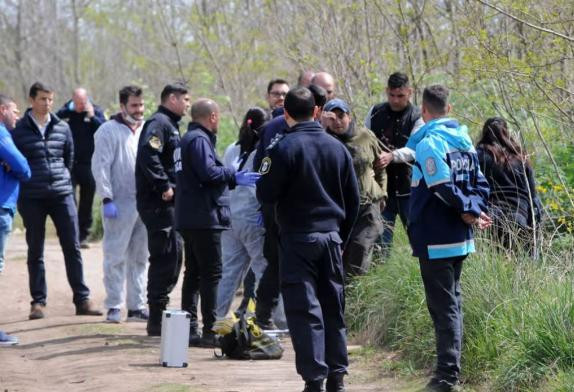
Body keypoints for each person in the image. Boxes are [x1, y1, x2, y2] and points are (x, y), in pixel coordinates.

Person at [257, 87, 360, 392]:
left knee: (305, 311)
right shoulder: (338, 148)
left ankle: (315, 380)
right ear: (317, 111)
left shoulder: (282, 149)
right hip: (331, 238)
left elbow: (265, 193)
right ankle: (337, 378)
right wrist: (340, 238)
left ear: (285, 114)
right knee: (333, 309)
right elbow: (353, 202)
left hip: (297, 239)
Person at [405, 85, 491, 392]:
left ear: (423, 112)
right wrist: (474, 211)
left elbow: (441, 187)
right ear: (449, 109)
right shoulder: (465, 142)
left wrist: (468, 212)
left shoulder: (430, 143)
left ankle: (446, 377)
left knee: (444, 308)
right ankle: (447, 371)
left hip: (437, 237)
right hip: (459, 238)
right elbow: (480, 184)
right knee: (451, 304)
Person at [174, 98, 260, 347]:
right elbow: (208, 172)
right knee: (211, 274)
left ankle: (189, 328)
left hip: (189, 217)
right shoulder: (199, 140)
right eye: (218, 117)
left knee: (193, 273)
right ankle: (210, 330)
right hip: (204, 218)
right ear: (212, 117)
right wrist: (234, 175)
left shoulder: (185, 140)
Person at [12, 82, 102, 320]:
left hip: (62, 194)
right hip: (32, 197)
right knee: (36, 250)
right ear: (32, 100)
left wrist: (61, 180)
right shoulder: (19, 130)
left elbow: (68, 160)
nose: (47, 103)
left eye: (50, 99)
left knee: (72, 247)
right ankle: (38, 302)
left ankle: (82, 299)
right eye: (43, 99)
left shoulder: (62, 127)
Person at [252, 84, 327, 330]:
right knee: (277, 261)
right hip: (277, 207)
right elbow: (261, 168)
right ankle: (264, 316)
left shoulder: (321, 134)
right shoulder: (273, 130)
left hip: (307, 209)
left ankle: (305, 320)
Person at [136, 83, 190, 336]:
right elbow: (149, 155)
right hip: (159, 203)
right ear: (172, 98)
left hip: (171, 204)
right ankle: (156, 318)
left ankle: (159, 314)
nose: (188, 104)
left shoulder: (170, 124)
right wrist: (163, 186)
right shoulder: (158, 123)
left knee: (173, 256)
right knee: (165, 257)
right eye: (185, 99)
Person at [92, 85, 149, 323]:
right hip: (118, 202)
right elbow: (100, 165)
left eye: (141, 105)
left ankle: (137, 306)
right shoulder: (107, 130)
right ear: (122, 106)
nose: (138, 110)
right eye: (134, 105)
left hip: (144, 203)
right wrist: (106, 197)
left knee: (140, 256)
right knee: (115, 255)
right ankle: (114, 305)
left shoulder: (147, 129)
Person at [322, 98, 387, 277]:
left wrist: (383, 193)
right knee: (339, 256)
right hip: (338, 210)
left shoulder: (365, 136)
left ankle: (357, 296)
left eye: (341, 116)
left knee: (360, 250)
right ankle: (341, 296)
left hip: (367, 206)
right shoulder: (323, 142)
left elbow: (380, 165)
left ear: (349, 117)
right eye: (331, 118)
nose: (337, 122)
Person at [216, 107, 269, 319]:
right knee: (263, 269)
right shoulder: (262, 153)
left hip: (230, 217)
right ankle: (264, 318)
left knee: (229, 272)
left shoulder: (232, 149)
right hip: (252, 217)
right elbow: (263, 185)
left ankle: (216, 317)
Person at [364, 72, 424, 256]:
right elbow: (364, 139)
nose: (396, 100)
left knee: (419, 240)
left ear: (410, 93)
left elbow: (417, 148)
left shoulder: (418, 117)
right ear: (386, 91)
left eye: (401, 96)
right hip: (381, 190)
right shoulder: (375, 112)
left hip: (409, 189)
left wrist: (392, 156)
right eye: (392, 95)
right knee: (380, 244)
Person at [476, 117, 542, 256]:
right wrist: (533, 224)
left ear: (484, 133)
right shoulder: (520, 158)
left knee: (494, 265)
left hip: (491, 218)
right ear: (506, 132)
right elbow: (533, 197)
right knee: (519, 264)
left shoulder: (479, 156)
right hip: (519, 216)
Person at [56, 88, 106, 248]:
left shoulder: (95, 111)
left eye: (82, 103)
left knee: (87, 201)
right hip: (69, 164)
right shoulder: (66, 111)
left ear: (87, 100)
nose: (79, 106)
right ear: (72, 101)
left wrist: (92, 117)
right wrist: (68, 110)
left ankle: (83, 235)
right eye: (76, 103)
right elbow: (54, 119)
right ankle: (70, 234)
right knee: (69, 200)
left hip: (88, 164)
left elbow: (104, 130)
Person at [0, 95, 30, 275]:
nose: (17, 116)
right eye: (15, 111)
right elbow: (24, 168)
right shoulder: (2, 134)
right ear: (3, 110)